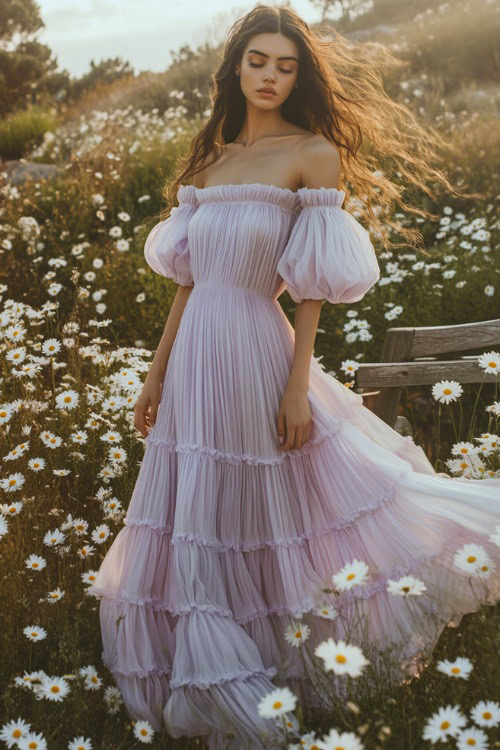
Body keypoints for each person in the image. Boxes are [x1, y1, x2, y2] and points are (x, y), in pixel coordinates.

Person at [89, 5, 500, 748]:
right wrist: (154, 376)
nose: (272, 76)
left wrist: (295, 384)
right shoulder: (210, 158)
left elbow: (310, 289)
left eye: (286, 65)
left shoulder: (313, 154)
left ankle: (283, 665)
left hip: (257, 348)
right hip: (191, 362)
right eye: (259, 62)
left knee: (258, 501)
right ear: (235, 68)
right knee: (194, 508)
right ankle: (203, 665)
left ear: (299, 75)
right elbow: (186, 281)